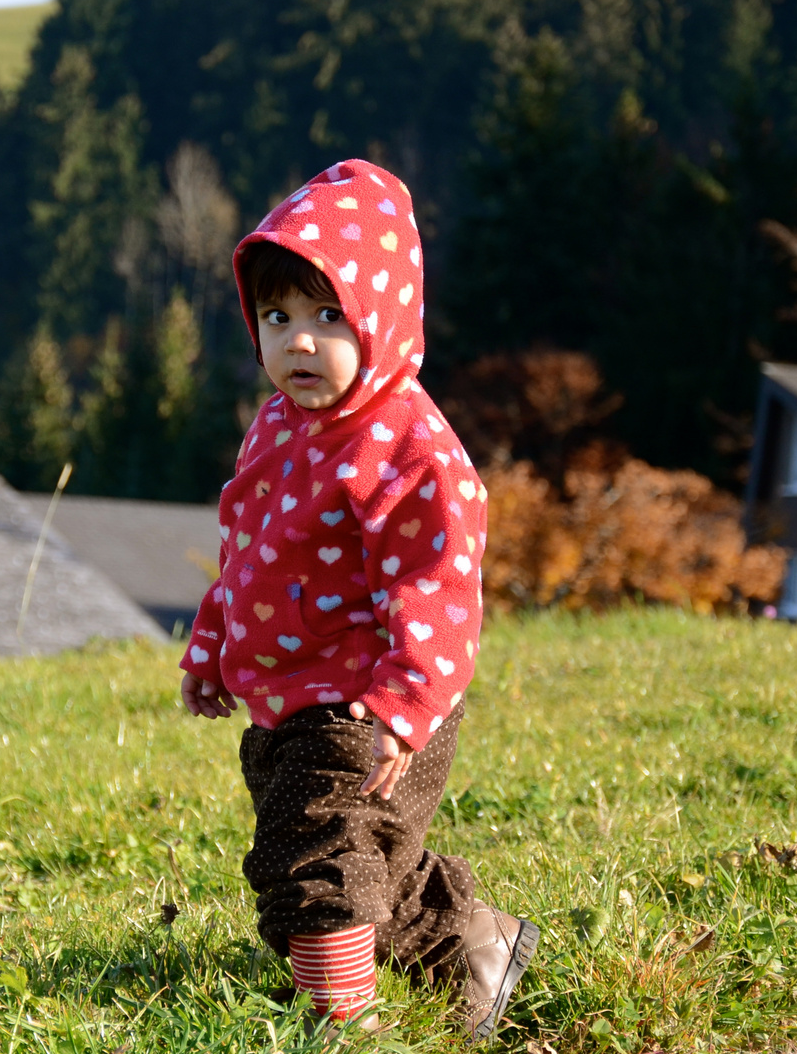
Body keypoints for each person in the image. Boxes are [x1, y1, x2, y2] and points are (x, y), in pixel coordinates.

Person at [178, 159, 538, 1040]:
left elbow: (440, 583)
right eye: (278, 317)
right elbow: (248, 546)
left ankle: (344, 1024)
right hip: (284, 707)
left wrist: (406, 706)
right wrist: (213, 644)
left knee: (314, 865)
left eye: (328, 316)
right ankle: (478, 943)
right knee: (371, 863)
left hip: (366, 705)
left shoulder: (408, 446)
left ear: (383, 316)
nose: (299, 342)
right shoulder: (277, 426)